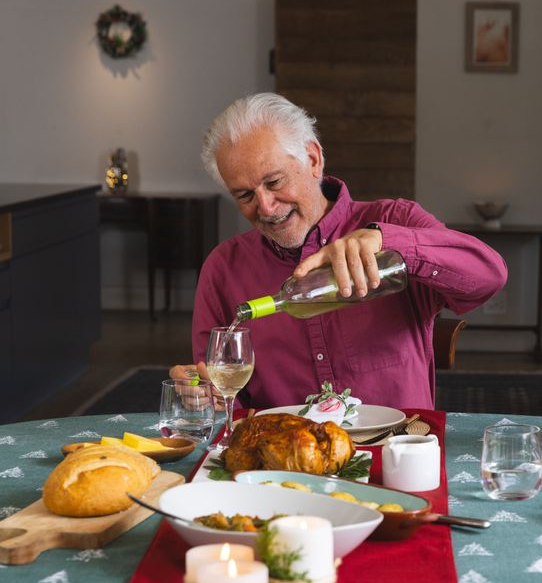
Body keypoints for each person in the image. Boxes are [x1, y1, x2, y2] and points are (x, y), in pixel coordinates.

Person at [170, 93, 507, 410]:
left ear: (313, 159)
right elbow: (222, 393)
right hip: (284, 466)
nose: (267, 207)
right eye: (245, 196)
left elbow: (489, 276)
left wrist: (391, 243)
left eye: (274, 182)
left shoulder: (397, 221)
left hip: (393, 458)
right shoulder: (223, 269)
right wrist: (205, 394)